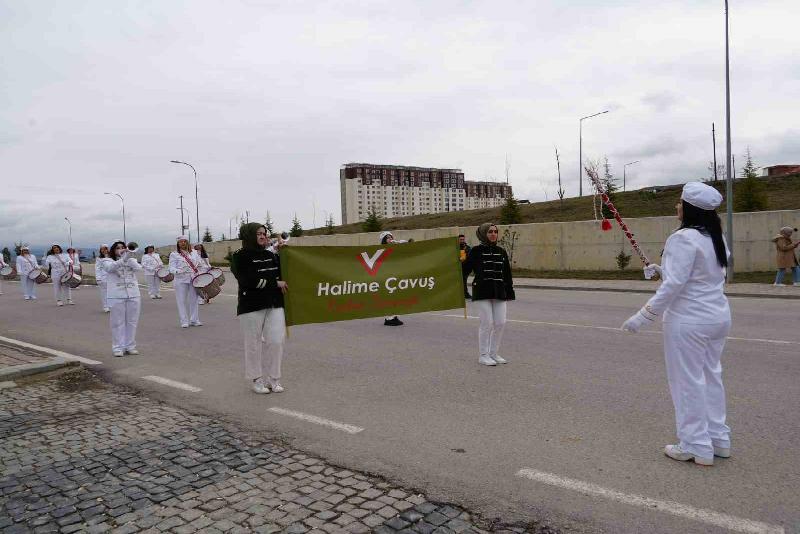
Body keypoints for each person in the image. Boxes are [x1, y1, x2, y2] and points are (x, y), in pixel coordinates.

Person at [622, 182, 731, 467]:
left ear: (691, 209)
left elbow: (675, 285)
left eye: (681, 203)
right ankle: (718, 439)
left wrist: (643, 315)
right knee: (710, 377)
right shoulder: (715, 236)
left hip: (690, 320)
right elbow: (699, 276)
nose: (677, 207)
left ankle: (695, 445)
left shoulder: (683, 238)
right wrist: (662, 270)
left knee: (687, 382)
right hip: (717, 316)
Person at [230, 223, 289, 394]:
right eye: (259, 234)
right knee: (253, 343)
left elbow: (284, 271)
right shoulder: (240, 256)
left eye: (264, 233)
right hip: (251, 305)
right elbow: (247, 280)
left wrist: (285, 253)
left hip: (275, 303)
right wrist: (274, 283)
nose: (263, 236)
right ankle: (257, 379)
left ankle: (274, 379)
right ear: (249, 236)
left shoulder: (270, 255)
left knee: (277, 341)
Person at [463, 223, 515, 366]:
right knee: (487, 323)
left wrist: (509, 292)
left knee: (500, 322)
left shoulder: (501, 251)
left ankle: (493, 353)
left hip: (499, 291)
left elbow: (507, 275)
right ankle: (483, 355)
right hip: (482, 291)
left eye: (495, 232)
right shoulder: (475, 251)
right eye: (490, 232)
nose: (493, 234)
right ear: (483, 234)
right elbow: (465, 270)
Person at [105, 240, 142, 356]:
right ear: (113, 250)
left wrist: (129, 257)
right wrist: (124, 259)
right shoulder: (106, 260)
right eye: (118, 248)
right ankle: (117, 347)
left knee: (132, 321)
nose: (120, 249)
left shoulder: (131, 260)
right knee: (117, 322)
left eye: (122, 247)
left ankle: (130, 346)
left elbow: (138, 268)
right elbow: (110, 268)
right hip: (116, 295)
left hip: (133, 293)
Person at [168, 235, 205, 328]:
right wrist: (179, 271)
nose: (183, 243)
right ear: (178, 243)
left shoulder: (194, 253)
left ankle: (194, 320)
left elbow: (200, 264)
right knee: (181, 301)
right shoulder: (174, 254)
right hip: (181, 280)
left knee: (194, 300)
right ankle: (184, 321)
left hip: (193, 279)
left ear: (187, 242)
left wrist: (202, 269)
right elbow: (171, 268)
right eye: (181, 242)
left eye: (185, 241)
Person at [379, 231, 404, 326]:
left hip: (394, 276)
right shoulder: (381, 250)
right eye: (387, 238)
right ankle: (388, 318)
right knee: (389, 297)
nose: (390, 239)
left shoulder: (394, 247)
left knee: (396, 297)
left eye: (391, 237)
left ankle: (394, 316)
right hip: (386, 276)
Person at [95, 244, 112, 312]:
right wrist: (98, 278)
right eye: (102, 249)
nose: (104, 250)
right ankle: (105, 306)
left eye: (105, 248)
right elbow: (97, 268)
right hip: (103, 277)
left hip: (112, 277)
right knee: (104, 292)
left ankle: (111, 305)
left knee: (112, 292)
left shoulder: (112, 257)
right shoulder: (99, 258)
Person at [458, 234, 472, 299]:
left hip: (465, 268)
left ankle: (465, 294)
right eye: (461, 239)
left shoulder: (467, 248)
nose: (462, 241)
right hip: (457, 268)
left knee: (464, 281)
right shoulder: (456, 247)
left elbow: (470, 257)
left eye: (463, 239)